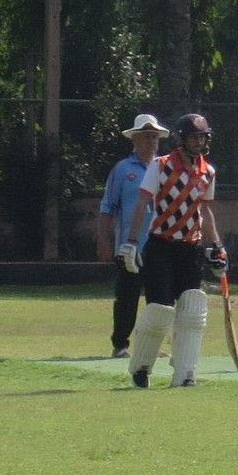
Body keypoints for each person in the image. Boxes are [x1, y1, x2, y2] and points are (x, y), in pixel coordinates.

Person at [118, 112, 226, 389]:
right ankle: (142, 367)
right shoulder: (161, 165)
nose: (199, 142)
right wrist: (131, 242)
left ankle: (186, 371)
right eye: (194, 137)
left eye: (202, 137)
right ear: (182, 139)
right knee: (160, 310)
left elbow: (205, 211)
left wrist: (216, 247)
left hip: (190, 249)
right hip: (161, 246)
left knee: (191, 308)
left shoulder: (208, 172)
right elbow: (142, 204)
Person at [96, 114, 165, 357]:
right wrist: (104, 242)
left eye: (154, 137)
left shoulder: (164, 168)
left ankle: (151, 346)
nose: (151, 141)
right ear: (134, 139)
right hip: (130, 246)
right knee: (127, 296)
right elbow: (107, 207)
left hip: (160, 245)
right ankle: (120, 345)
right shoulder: (123, 169)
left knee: (159, 300)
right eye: (145, 136)